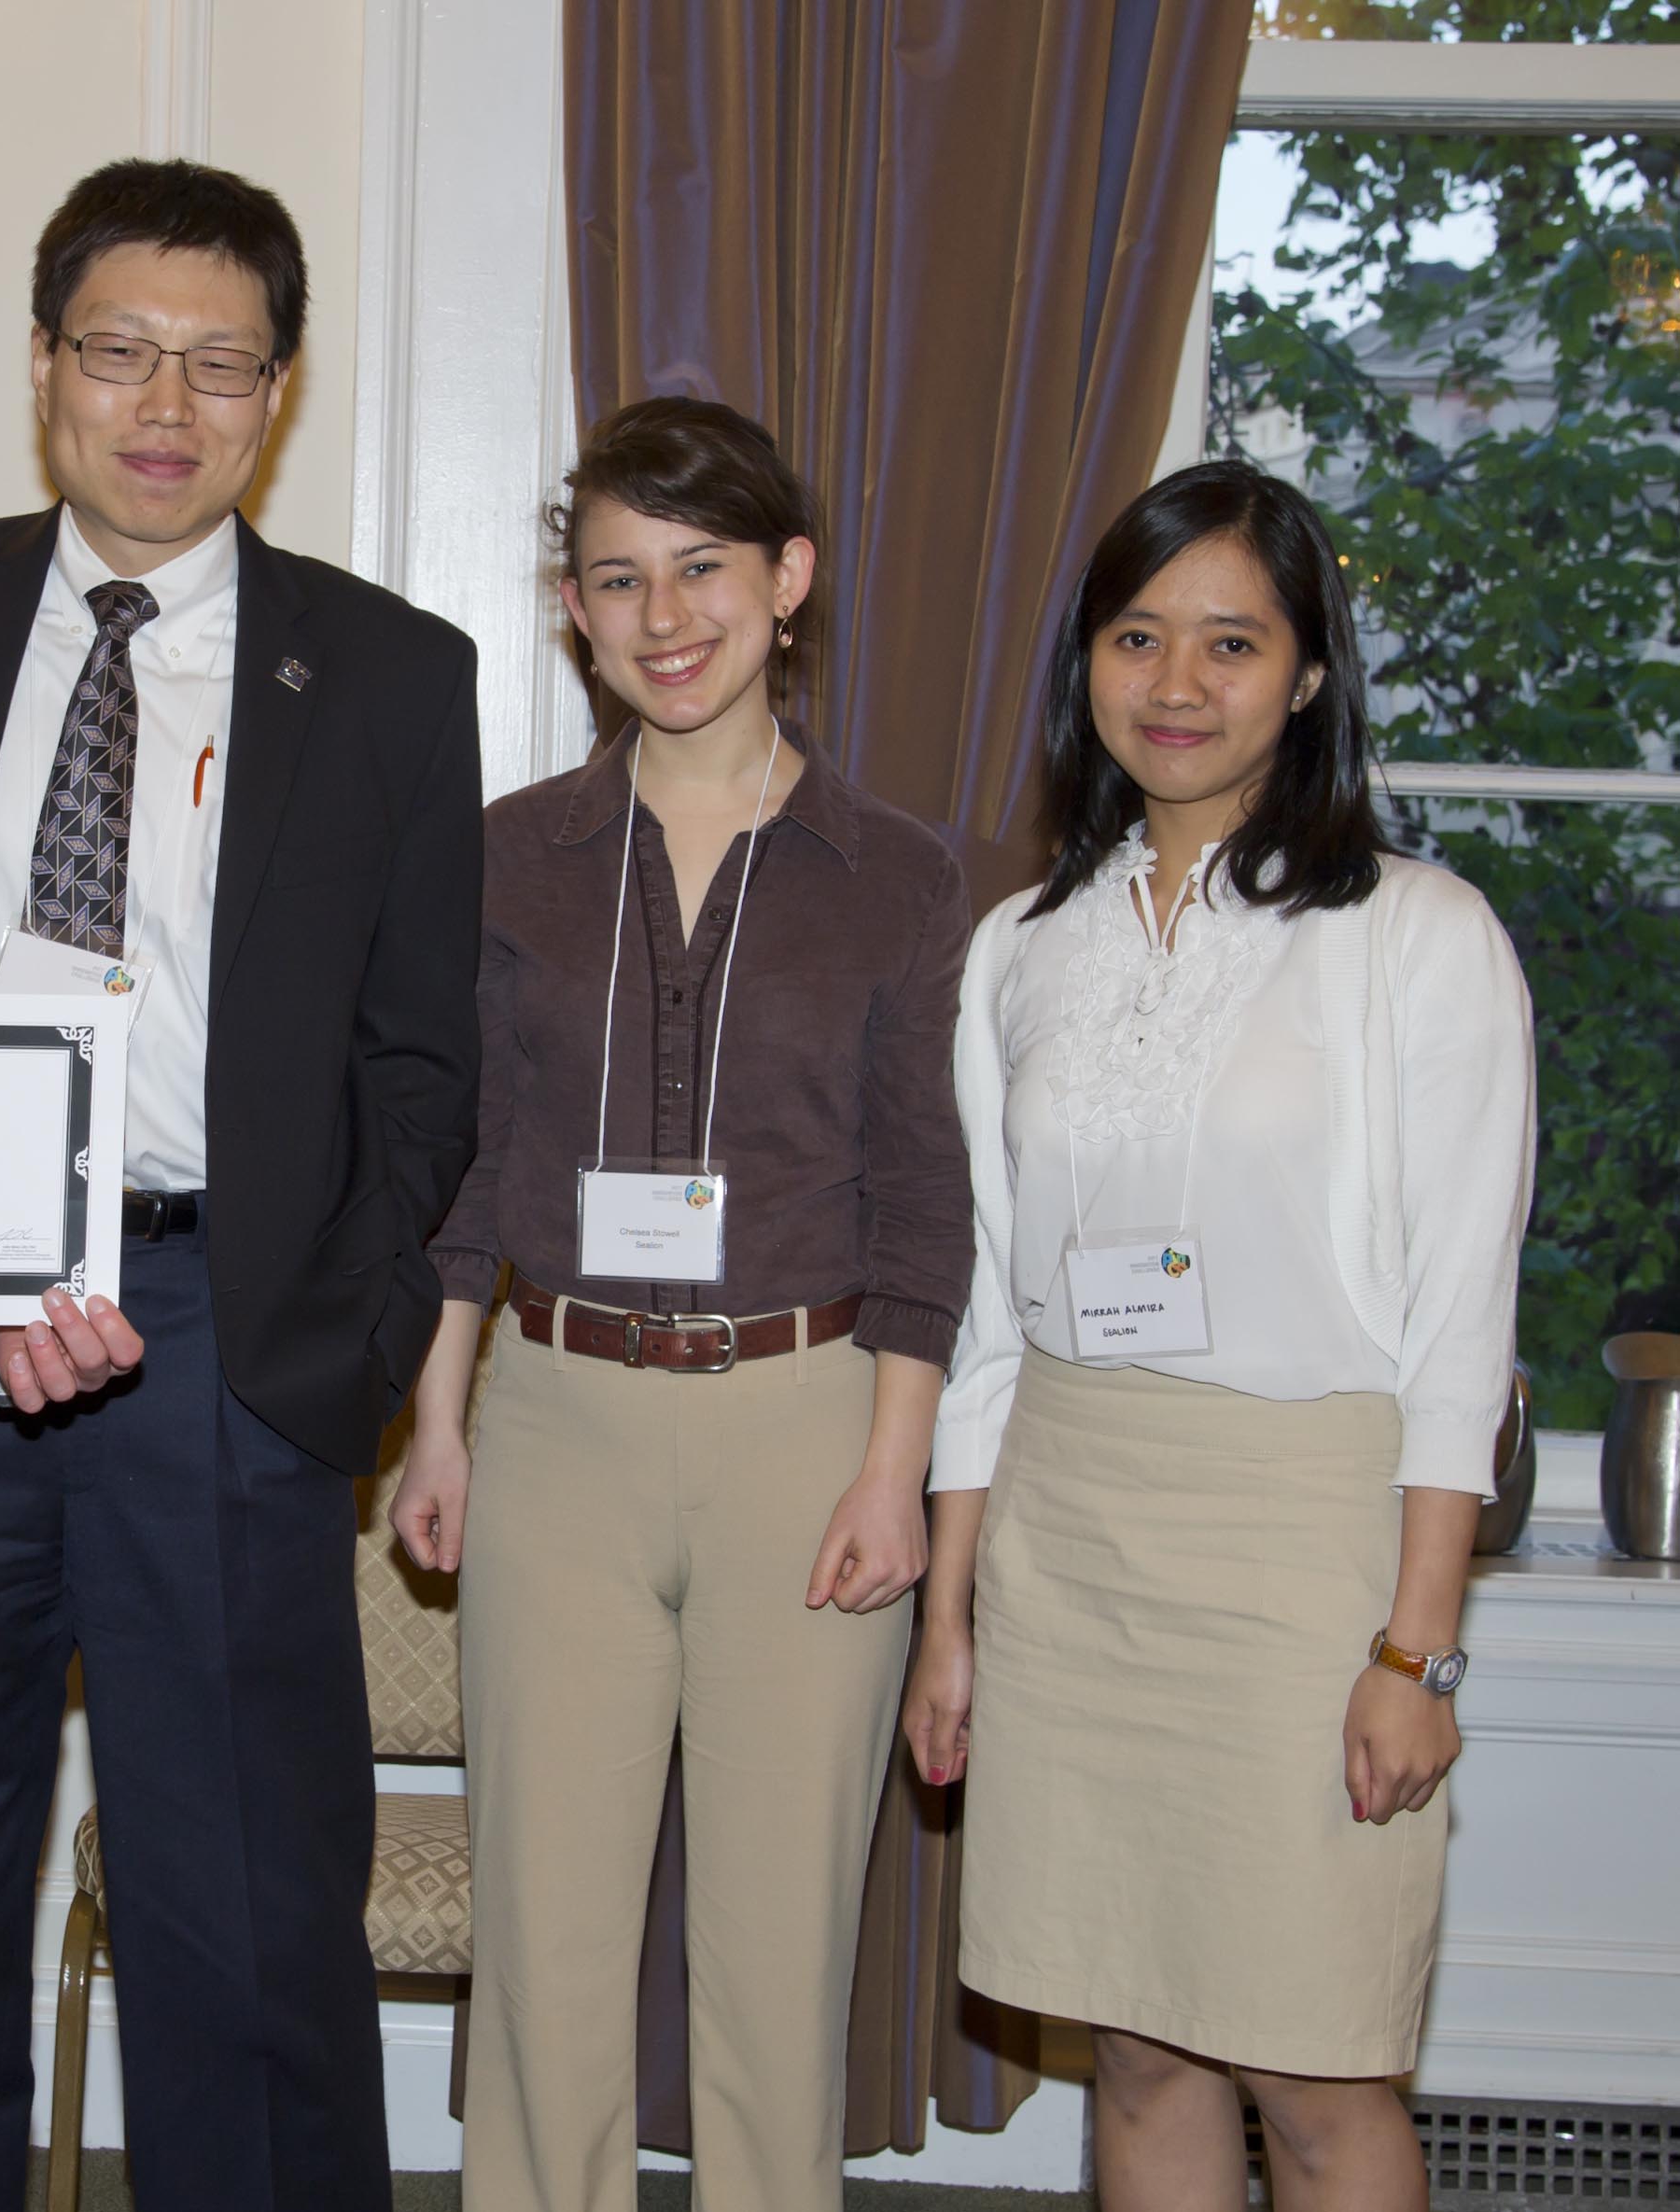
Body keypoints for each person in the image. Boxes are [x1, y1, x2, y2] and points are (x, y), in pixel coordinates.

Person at [0, 160, 478, 2212]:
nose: (161, 403)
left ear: (275, 394)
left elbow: (422, 1060)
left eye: (218, 364)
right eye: (116, 352)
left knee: (247, 1915)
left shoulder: (382, 672)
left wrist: (328, 1364)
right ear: (43, 369)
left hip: (217, 1342)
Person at [903, 459, 1533, 2210]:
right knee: (1135, 2046)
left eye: (1231, 642)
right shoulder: (1019, 949)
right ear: (1086, 664)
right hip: (1068, 1534)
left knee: (1317, 2066)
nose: (1174, 684)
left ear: (1308, 674)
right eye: (1135, 635)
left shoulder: (1418, 937)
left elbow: (1458, 1327)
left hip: (1304, 1546)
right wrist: (950, 1616)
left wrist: (1418, 1650)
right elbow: (990, 1311)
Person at [384, 396, 971, 2211]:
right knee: (543, 1950)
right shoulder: (502, 857)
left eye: (701, 569)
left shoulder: (900, 876)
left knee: (772, 1958)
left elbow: (923, 1208)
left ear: (785, 582)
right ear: (571, 607)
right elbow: (463, 1174)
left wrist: (891, 1471)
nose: (662, 617)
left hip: (807, 1437)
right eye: (618, 578)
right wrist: (435, 1420)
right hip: (553, 1422)